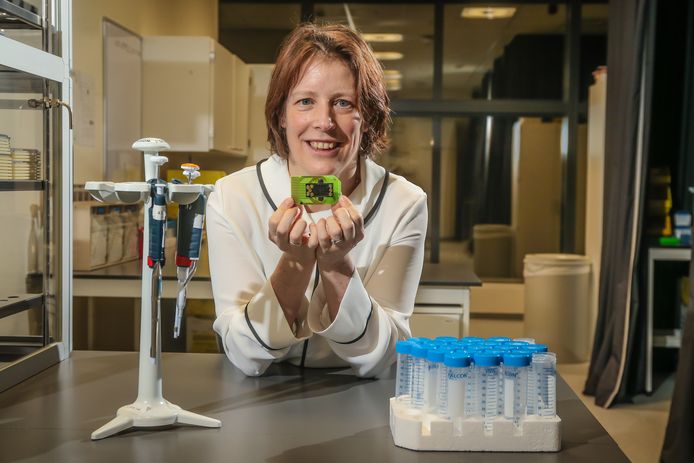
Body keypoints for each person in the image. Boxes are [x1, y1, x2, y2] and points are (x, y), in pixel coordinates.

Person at [206, 23, 427, 377]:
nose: (324, 122)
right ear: (281, 114)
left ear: (367, 117)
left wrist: (337, 265)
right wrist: (294, 263)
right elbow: (245, 354)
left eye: (343, 103)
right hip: (261, 402)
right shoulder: (232, 198)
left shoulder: (404, 202)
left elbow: (383, 356)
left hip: (361, 399)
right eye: (305, 101)